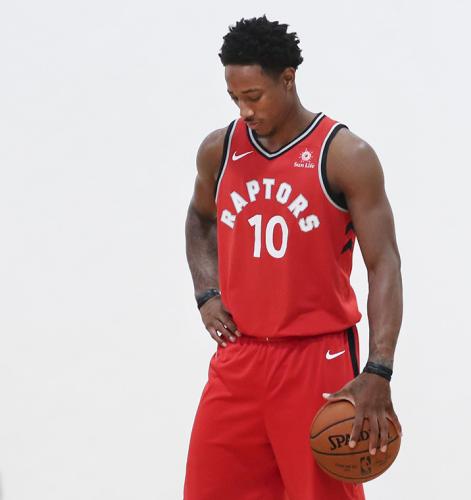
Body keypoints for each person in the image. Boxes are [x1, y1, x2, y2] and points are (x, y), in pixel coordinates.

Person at [183, 16, 403, 500]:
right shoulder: (219, 151)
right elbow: (200, 220)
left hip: (316, 357)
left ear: (288, 78)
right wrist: (206, 292)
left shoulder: (344, 155)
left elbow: (384, 263)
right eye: (235, 98)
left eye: (254, 97)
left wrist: (378, 369)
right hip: (239, 357)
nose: (245, 110)